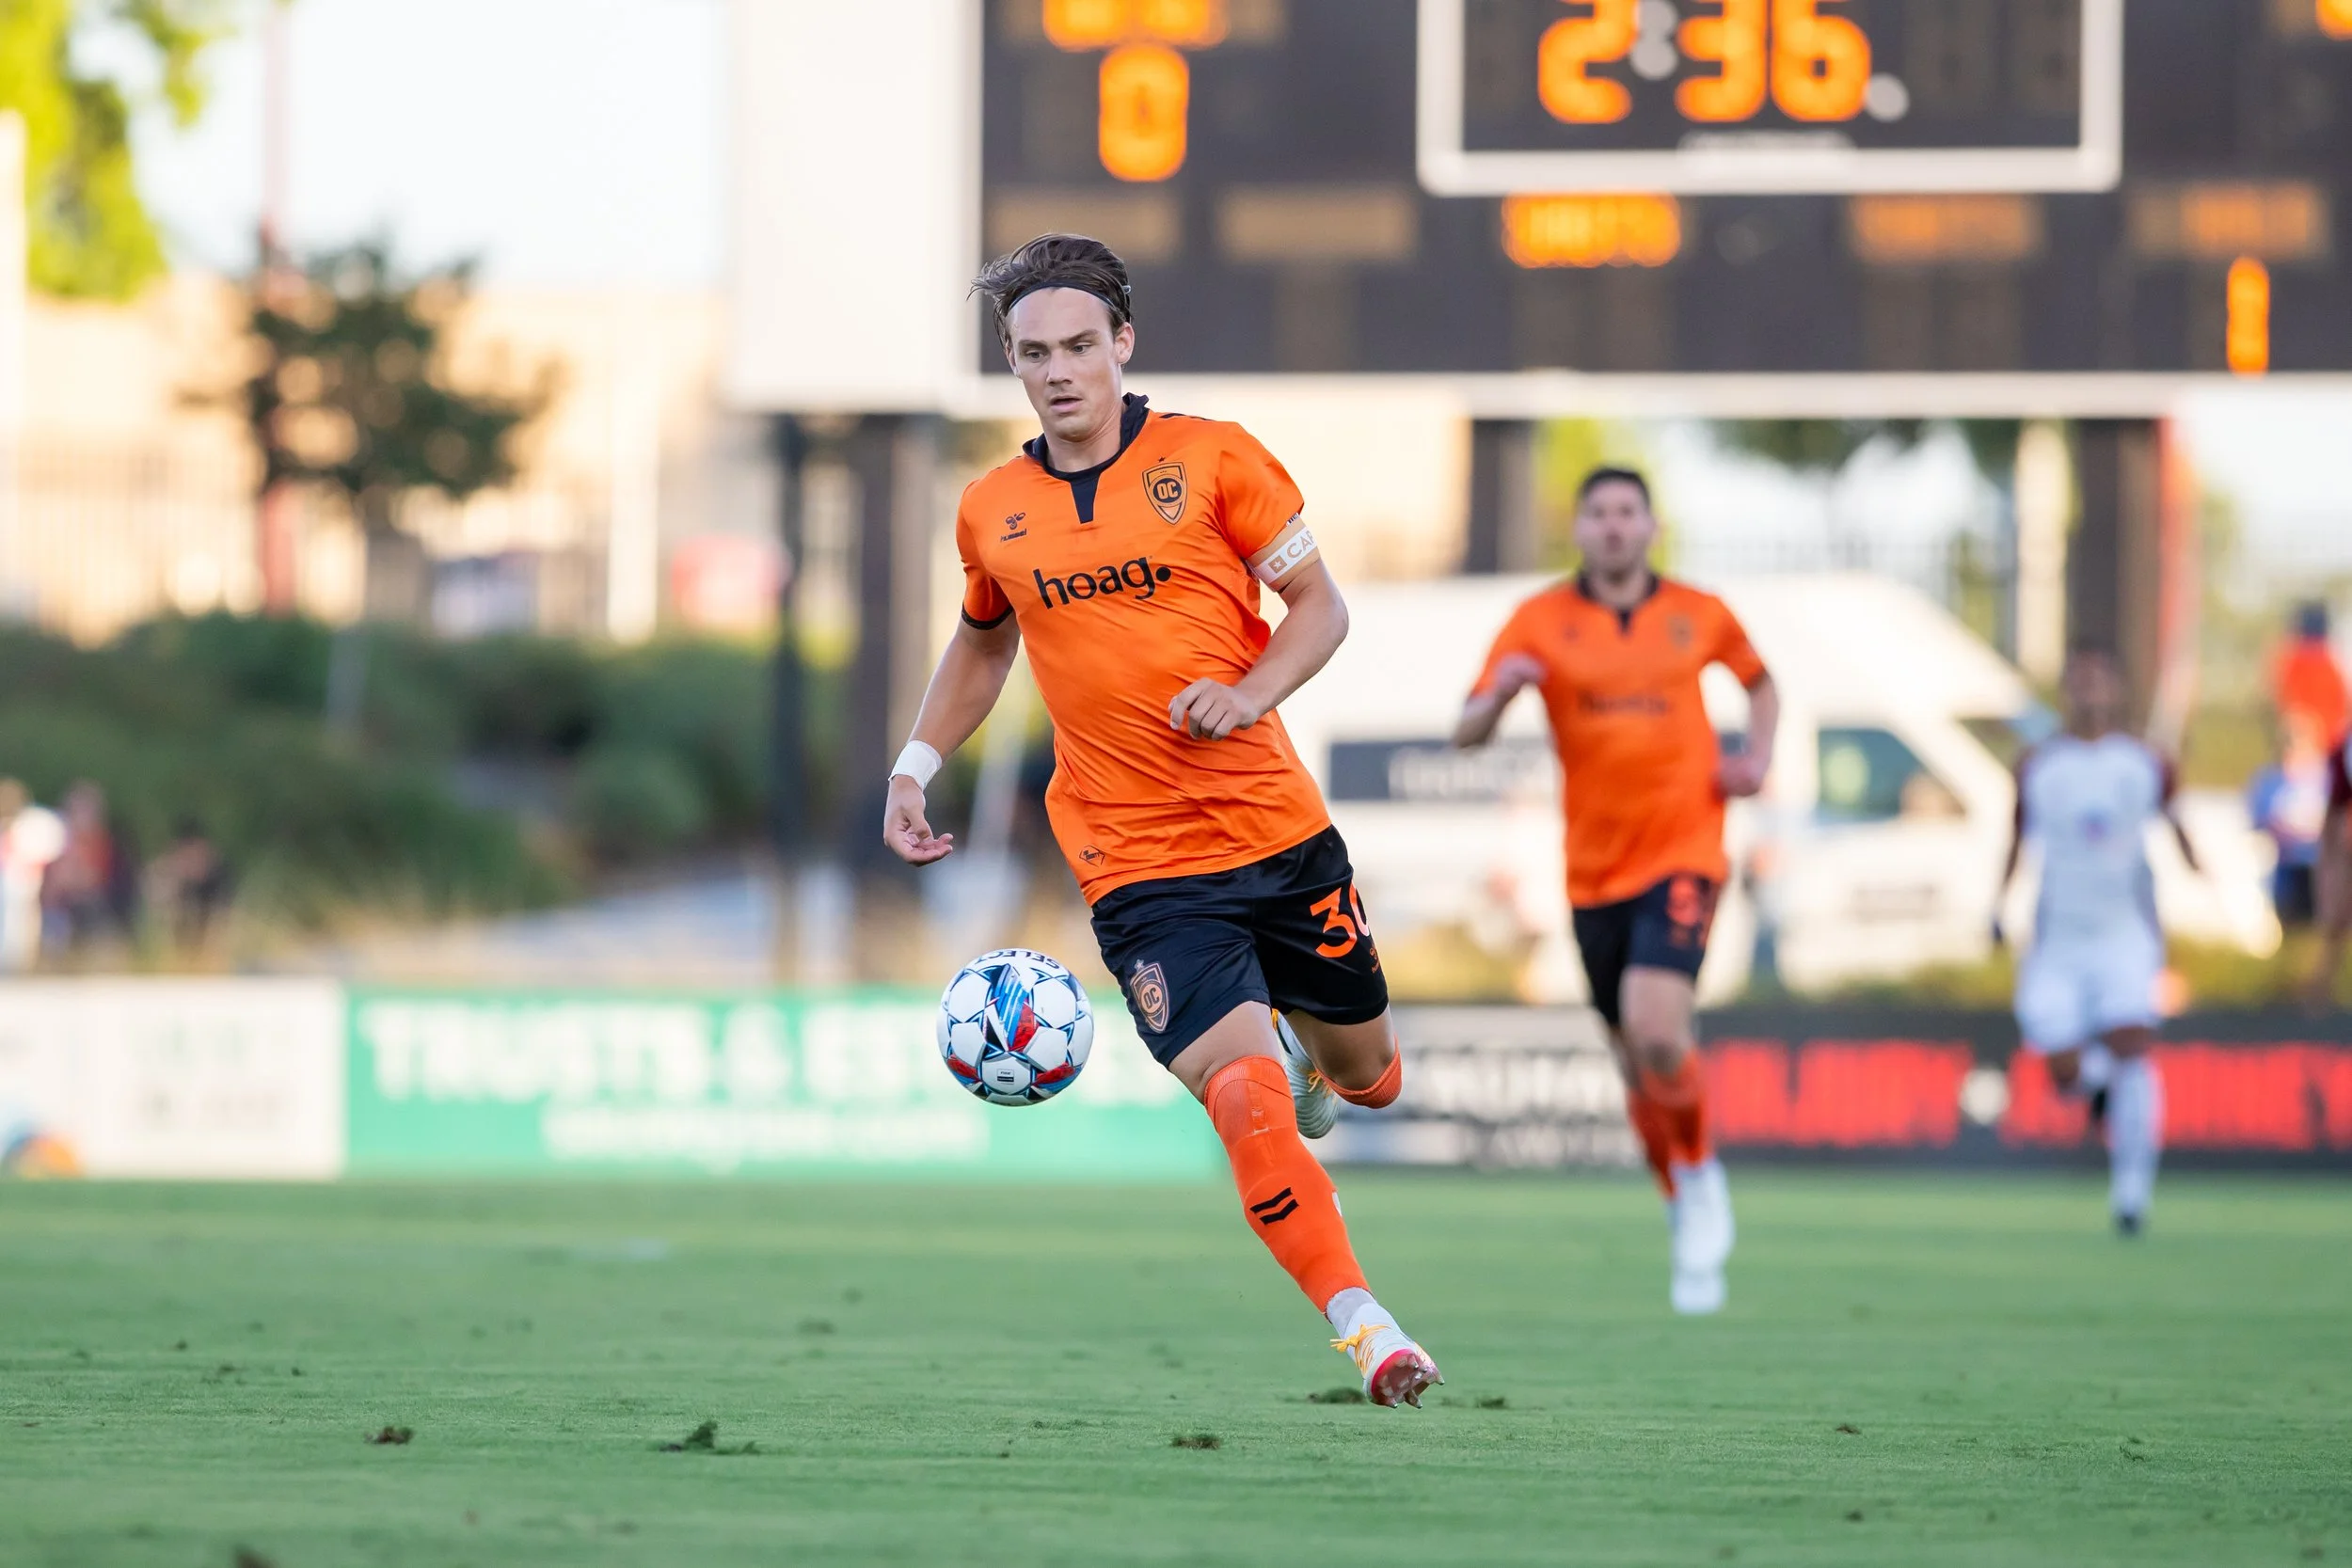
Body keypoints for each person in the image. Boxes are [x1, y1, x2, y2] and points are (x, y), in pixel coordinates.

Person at [880, 234, 1439, 1407]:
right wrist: (915, 765)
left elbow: (1319, 607)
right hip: (1135, 864)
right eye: (1033, 352)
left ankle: (1317, 1063)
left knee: (1371, 1077)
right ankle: (1366, 1325)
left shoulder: (1216, 458)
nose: (1058, 371)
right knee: (1239, 1094)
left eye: (1079, 345)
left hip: (1276, 835)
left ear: (1123, 341)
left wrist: (1249, 692)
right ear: (1011, 362)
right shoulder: (990, 508)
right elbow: (982, 643)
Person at [1451, 467, 1778, 1315]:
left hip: (1685, 852)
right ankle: (1678, 1197)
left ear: (1652, 526)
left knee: (1657, 1027)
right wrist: (1501, 695)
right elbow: (1465, 731)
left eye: (1628, 511)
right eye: (1598, 512)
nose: (1613, 526)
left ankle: (1701, 1173)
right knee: (1634, 1060)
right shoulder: (1538, 620)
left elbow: (1760, 681)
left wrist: (1757, 758)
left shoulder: (1699, 612)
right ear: (1578, 528)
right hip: (1593, 870)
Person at [1996, 648, 2197, 1237]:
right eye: (2078, 681)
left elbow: (2178, 827)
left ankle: (2131, 1194)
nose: (2088, 692)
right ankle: (2098, 1084)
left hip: (2124, 931)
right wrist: (1996, 905)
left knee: (2133, 1045)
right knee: (2063, 1070)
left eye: (2098, 680)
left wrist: (2208, 883)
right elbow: (2015, 839)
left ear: (2117, 688)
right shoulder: (2039, 764)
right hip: (2058, 936)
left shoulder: (2145, 761)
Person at [2247, 715, 2329, 929]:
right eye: (2290, 743)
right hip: (2284, 870)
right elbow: (2259, 822)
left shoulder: (2328, 779)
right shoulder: (2270, 781)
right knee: (2292, 920)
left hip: (2323, 868)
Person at [0, 780, 67, 974]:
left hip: (25, 882)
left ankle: (19, 964)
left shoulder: (35, 823)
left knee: (22, 921)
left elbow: (52, 850)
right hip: (10, 883)